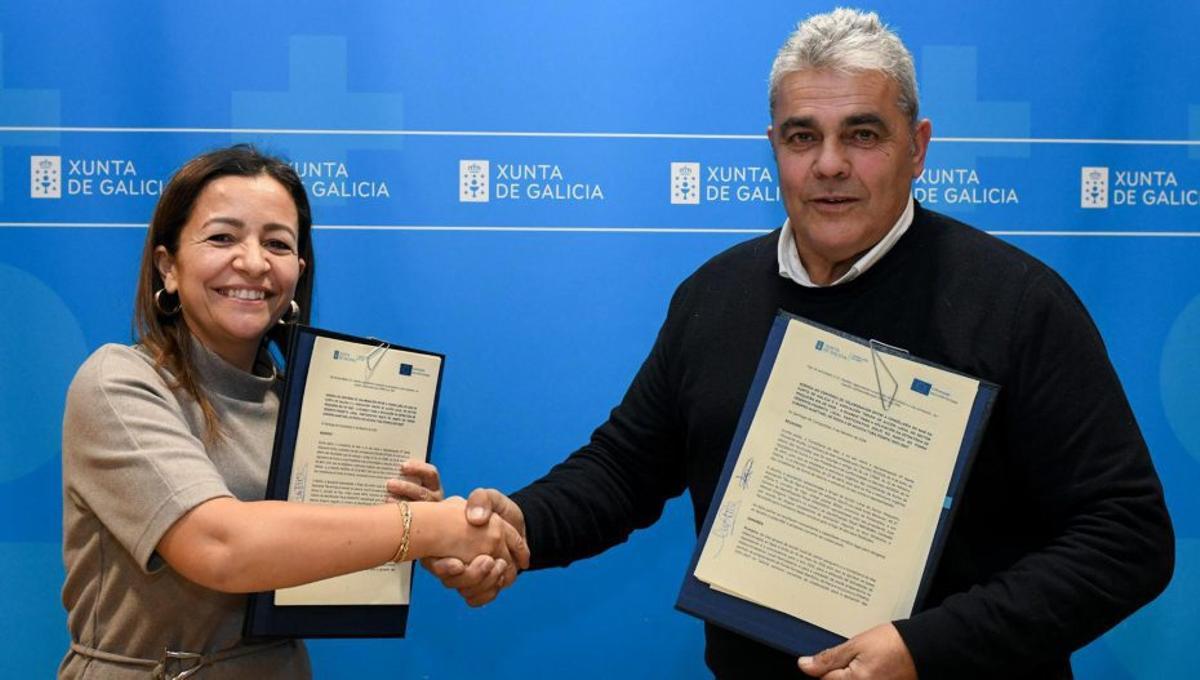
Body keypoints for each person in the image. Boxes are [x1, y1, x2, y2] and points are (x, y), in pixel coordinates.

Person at [426, 9, 1174, 679]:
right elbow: (626, 466)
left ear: (917, 148)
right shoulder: (714, 296)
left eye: (863, 134)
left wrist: (925, 650)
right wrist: (524, 524)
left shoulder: (1017, 304)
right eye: (802, 137)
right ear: (773, 149)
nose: (829, 164)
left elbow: (1127, 536)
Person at [59, 145, 527, 679]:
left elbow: (345, 547)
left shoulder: (314, 404)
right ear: (168, 266)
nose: (254, 262)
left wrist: (449, 549)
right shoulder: (119, 382)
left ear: (297, 271)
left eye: (277, 244)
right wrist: (426, 526)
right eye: (222, 237)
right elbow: (221, 545)